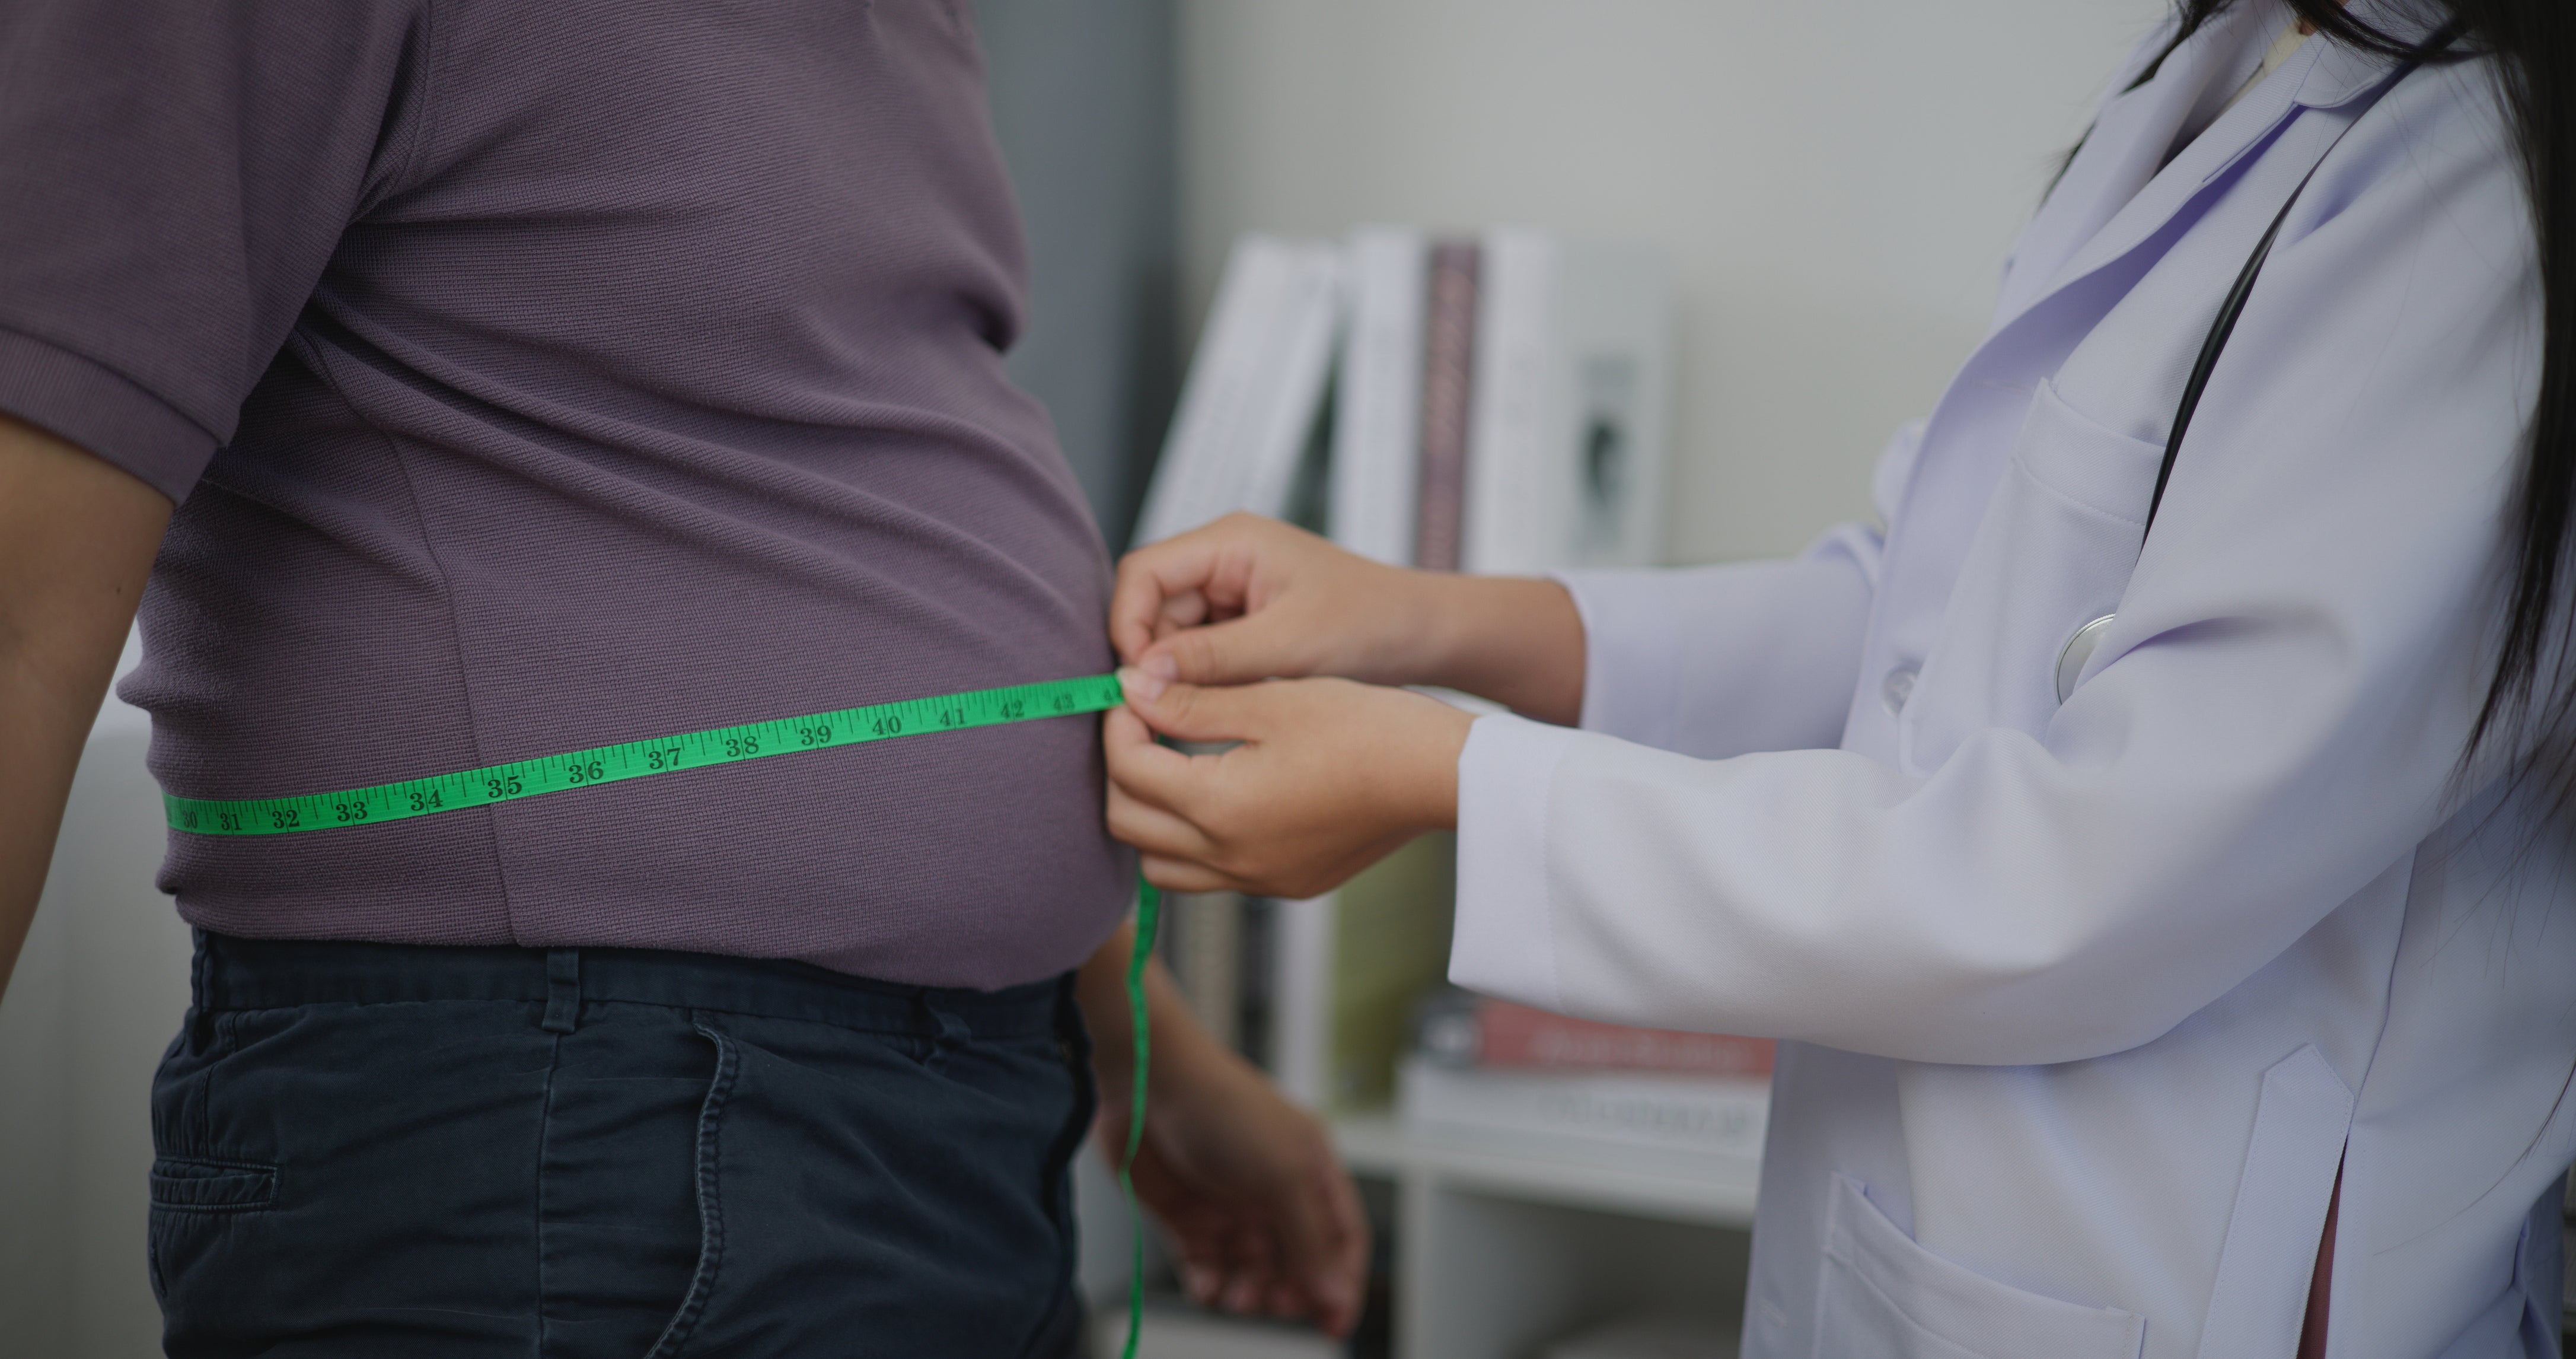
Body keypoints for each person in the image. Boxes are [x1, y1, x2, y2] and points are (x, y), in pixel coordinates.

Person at [1104, 1, 2576, 1355]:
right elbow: (1915, 623)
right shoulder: (2224, 61)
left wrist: (1447, 780)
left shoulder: (2474, 202)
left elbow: (2078, 880)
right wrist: (1419, 621)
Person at [0, 1, 1364, 1354]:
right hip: (572, 1146)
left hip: (965, 1129)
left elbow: (801, 514)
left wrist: (1149, 1056)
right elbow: (19, 619)